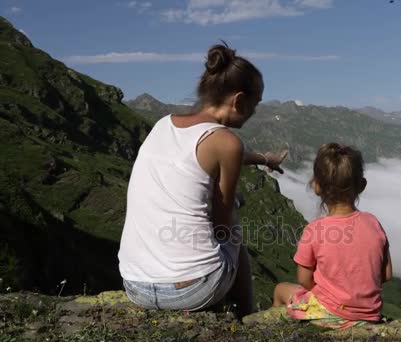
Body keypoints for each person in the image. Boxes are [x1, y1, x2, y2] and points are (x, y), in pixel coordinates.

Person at [118, 42, 287, 318]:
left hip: (135, 285)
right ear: (239, 100)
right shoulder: (227, 142)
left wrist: (264, 159)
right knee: (233, 228)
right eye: (254, 105)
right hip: (192, 289)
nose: (254, 113)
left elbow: (206, 151)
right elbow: (221, 227)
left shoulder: (163, 125)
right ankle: (245, 320)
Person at [273, 143, 392, 329]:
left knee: (281, 289)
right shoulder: (374, 223)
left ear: (316, 186)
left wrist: (331, 294)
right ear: (362, 186)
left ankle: (279, 330)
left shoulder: (314, 230)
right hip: (370, 314)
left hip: (330, 313)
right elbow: (386, 274)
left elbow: (304, 280)